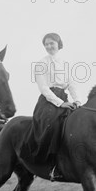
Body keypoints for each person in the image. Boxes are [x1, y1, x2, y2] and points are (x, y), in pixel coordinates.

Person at [27, 32, 82, 181]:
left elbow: (71, 84)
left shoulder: (66, 63)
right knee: (54, 124)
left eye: (52, 43)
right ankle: (52, 165)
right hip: (48, 101)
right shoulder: (41, 64)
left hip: (65, 97)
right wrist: (60, 103)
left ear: (58, 44)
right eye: (46, 44)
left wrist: (77, 100)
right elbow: (43, 88)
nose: (49, 46)